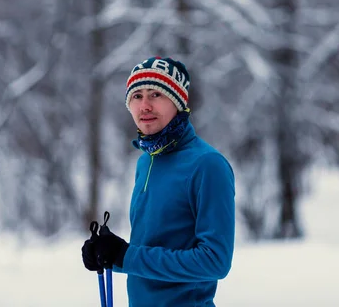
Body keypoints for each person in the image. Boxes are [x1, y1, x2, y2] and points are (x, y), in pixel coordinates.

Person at [82, 56, 235, 307]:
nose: (145, 105)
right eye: (137, 96)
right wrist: (109, 256)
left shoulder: (208, 165)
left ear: (178, 102)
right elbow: (150, 251)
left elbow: (215, 261)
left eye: (156, 95)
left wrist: (126, 255)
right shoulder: (146, 162)